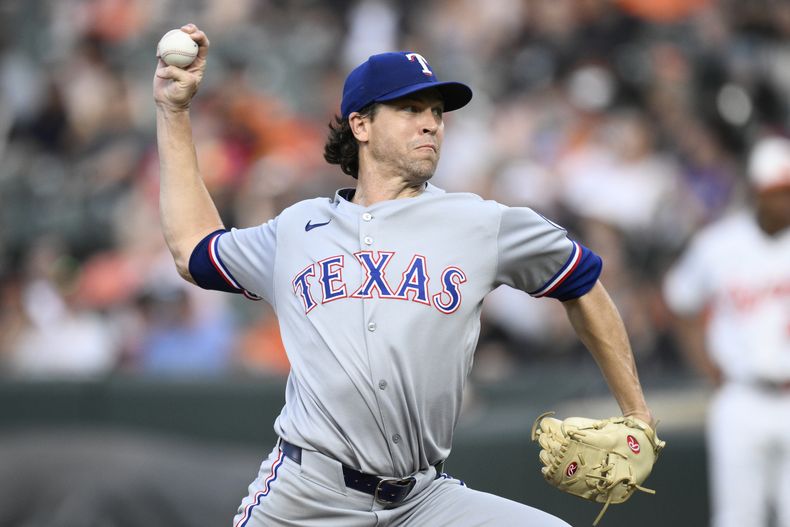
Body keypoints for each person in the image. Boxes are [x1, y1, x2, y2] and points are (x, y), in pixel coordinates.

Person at [154, 24, 656, 527]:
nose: (431, 124)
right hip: (307, 497)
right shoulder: (297, 230)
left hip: (423, 501)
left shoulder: (480, 222)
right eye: (410, 110)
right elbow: (193, 249)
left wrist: (637, 414)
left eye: (437, 113)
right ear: (361, 125)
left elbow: (582, 282)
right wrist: (173, 112)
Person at [663, 135, 790, 527]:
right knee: (738, 517)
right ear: (756, 193)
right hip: (741, 394)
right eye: (777, 192)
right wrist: (708, 368)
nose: (784, 201)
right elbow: (678, 301)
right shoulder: (719, 244)